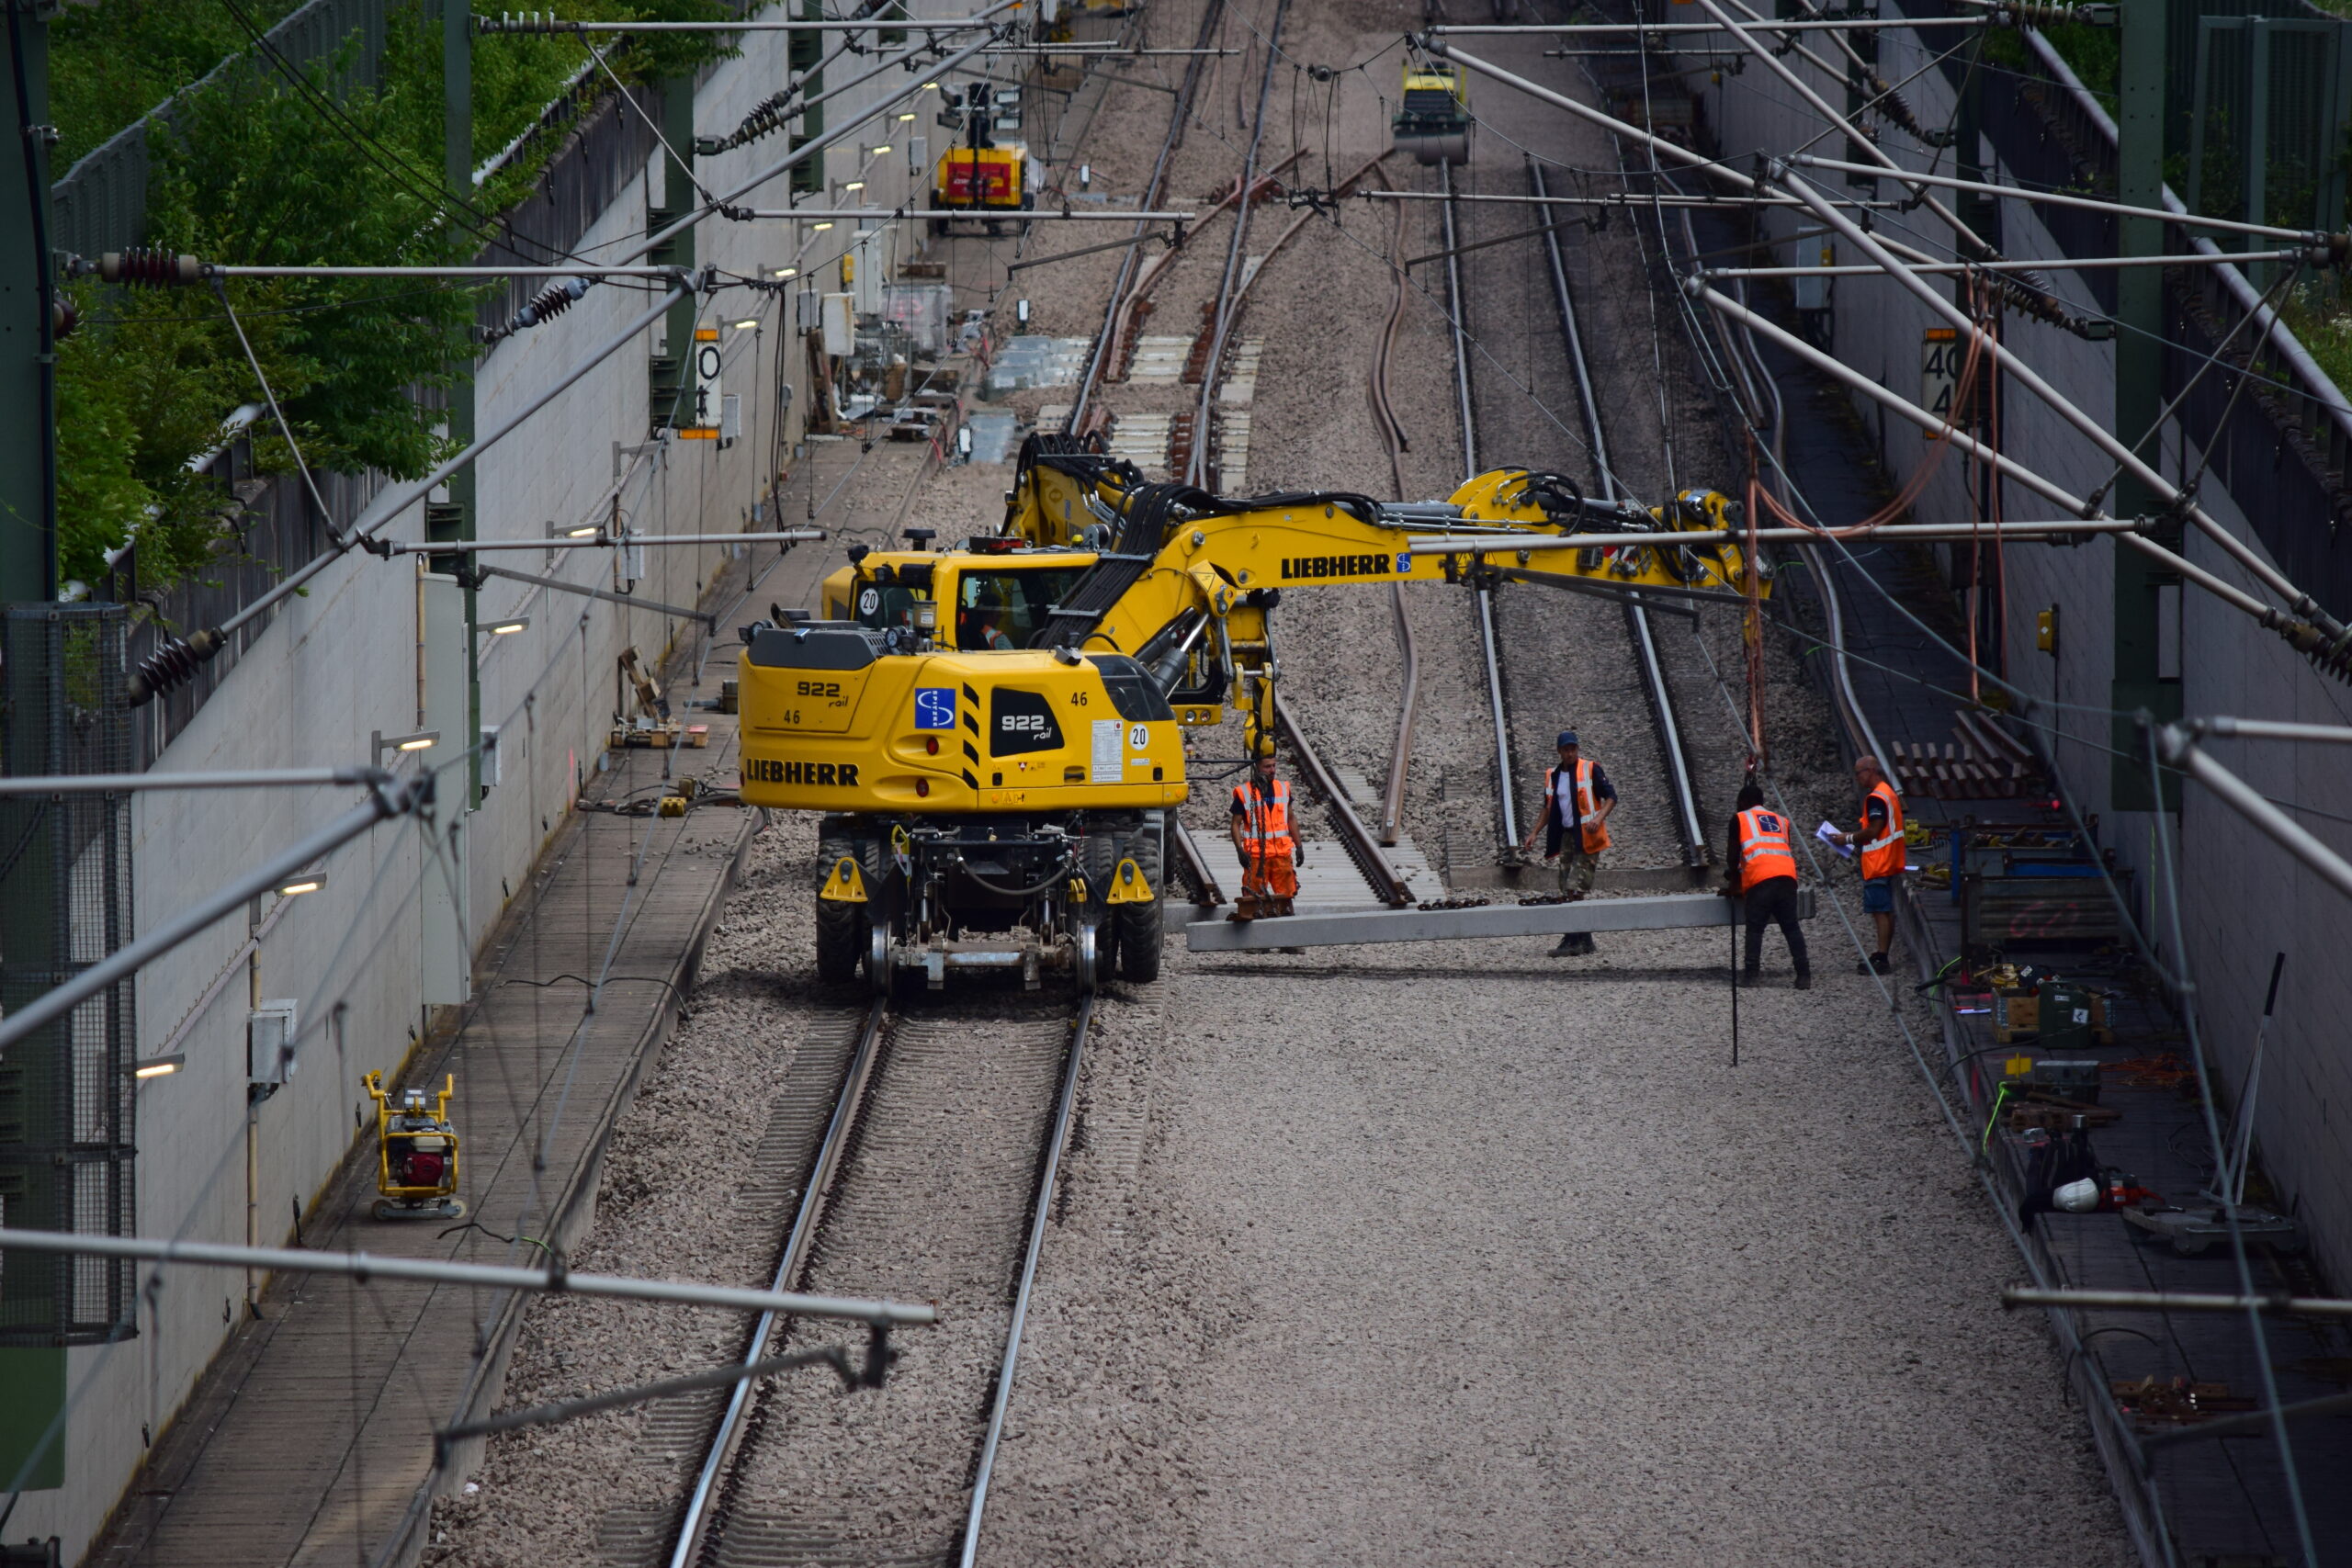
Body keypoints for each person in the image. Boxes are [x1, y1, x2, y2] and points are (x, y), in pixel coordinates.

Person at [1521, 729, 1614, 956]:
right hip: (1567, 838)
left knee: (1575, 886)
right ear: (1559, 751)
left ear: (1577, 749)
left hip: (1588, 836)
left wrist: (1598, 818)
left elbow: (1611, 797)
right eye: (1566, 749)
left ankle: (1573, 940)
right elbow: (1547, 808)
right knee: (1565, 887)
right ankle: (1585, 940)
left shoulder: (1590, 769)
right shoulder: (1553, 775)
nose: (1570, 753)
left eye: (1573, 748)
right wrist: (1534, 833)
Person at [1723, 781, 1811, 989]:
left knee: (1755, 928)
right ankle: (1804, 974)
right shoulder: (1781, 820)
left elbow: (1732, 856)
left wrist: (1733, 880)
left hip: (1761, 879)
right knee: (1791, 927)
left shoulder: (1740, 818)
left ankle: (1752, 975)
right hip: (1787, 878)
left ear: (1743, 801)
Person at [1830, 754, 1904, 974]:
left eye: (1859, 773)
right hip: (1889, 859)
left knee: (1880, 911)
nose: (1857, 778)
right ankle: (1882, 954)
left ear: (1870, 770)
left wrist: (1848, 838)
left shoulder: (1876, 798)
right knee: (1886, 911)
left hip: (1877, 863)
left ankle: (1882, 957)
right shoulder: (1889, 794)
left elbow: (1874, 830)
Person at [1229, 750, 1304, 919]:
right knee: (1253, 899)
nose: (1272, 770)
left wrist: (1299, 846)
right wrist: (1239, 850)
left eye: (1274, 766)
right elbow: (1235, 824)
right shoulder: (1245, 792)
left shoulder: (1282, 788)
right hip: (1255, 856)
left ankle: (1286, 939)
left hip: (1281, 854)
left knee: (1286, 898)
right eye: (1267, 766)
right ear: (1257, 768)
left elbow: (1290, 818)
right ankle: (1256, 940)